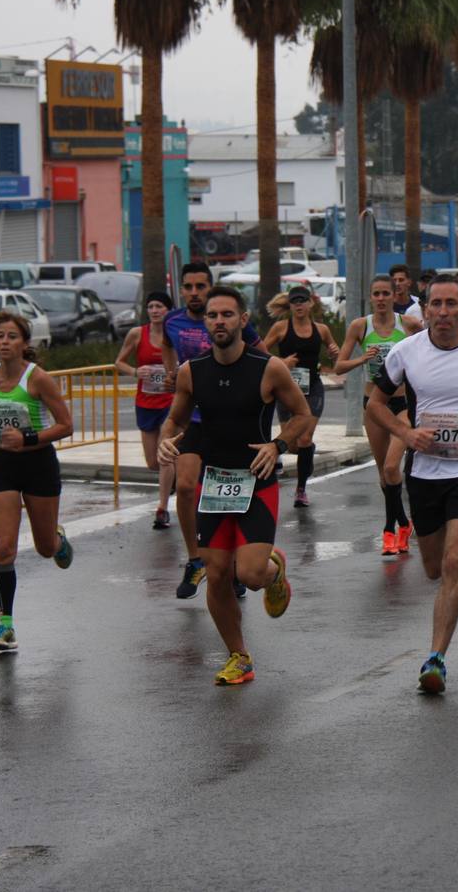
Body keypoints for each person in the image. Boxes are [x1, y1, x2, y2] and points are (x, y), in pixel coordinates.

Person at [365, 275, 458, 694]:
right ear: (425, 309)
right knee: (432, 569)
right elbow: (375, 403)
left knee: (452, 563)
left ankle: (435, 659)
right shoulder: (405, 353)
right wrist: (405, 433)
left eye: (453, 304)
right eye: (437, 305)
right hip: (424, 471)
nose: (445, 312)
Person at [158, 286, 310, 685]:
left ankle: (273, 570)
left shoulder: (268, 367)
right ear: (205, 322)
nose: (219, 321)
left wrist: (277, 445)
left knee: (251, 575)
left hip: (257, 482)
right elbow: (175, 419)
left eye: (228, 314)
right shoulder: (193, 371)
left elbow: (302, 415)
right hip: (216, 483)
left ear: (243, 320)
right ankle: (239, 656)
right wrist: (166, 441)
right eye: (213, 315)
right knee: (217, 570)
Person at [0, 312, 75, 654]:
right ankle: (5, 626)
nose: (4, 342)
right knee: (4, 548)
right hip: (3, 465)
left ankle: (57, 540)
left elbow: (66, 425)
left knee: (43, 548)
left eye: (11, 337)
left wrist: (26, 439)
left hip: (38, 462)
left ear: (25, 344)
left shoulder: (38, 379)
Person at [161, 261, 265, 600]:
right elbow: (167, 347)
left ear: (210, 288)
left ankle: (233, 561)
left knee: (227, 493)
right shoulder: (172, 321)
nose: (193, 293)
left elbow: (261, 358)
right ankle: (195, 560)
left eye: (200, 287)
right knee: (187, 487)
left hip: (231, 421)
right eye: (188, 287)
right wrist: (170, 372)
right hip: (195, 419)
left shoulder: (229, 317)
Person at [333, 275, 423, 555]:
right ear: (370, 297)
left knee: (391, 467)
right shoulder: (360, 326)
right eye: (377, 294)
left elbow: (429, 350)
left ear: (394, 296)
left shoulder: (407, 324)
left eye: (386, 293)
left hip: (403, 404)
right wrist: (363, 358)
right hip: (373, 403)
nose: (382, 298)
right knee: (383, 473)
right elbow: (338, 367)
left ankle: (388, 530)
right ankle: (402, 524)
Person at [262, 286, 341, 507]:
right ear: (289, 305)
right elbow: (258, 351)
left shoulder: (322, 330)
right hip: (287, 389)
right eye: (294, 301)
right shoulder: (280, 328)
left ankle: (300, 490)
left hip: (313, 388)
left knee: (304, 438)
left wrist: (335, 354)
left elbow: (337, 357)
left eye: (302, 301)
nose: (298, 305)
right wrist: (281, 363)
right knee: (292, 443)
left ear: (310, 304)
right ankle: (307, 453)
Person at [114, 289, 175, 529]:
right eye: (151, 307)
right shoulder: (137, 334)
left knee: (165, 454)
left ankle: (162, 508)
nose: (155, 311)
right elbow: (119, 362)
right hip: (145, 402)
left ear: (168, 310)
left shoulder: (174, 334)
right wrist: (135, 372)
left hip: (170, 403)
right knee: (152, 462)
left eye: (159, 306)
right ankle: (182, 478)